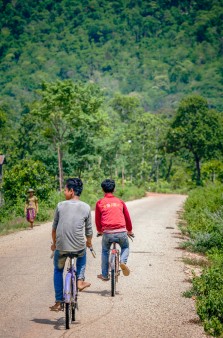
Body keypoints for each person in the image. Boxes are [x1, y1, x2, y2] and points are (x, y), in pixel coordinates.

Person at [50, 178, 93, 312]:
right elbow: (89, 231)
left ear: (71, 191)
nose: (64, 191)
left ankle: (58, 301)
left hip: (61, 247)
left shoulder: (60, 205)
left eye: (65, 189)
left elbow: (54, 229)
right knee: (82, 255)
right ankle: (80, 280)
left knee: (58, 270)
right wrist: (89, 243)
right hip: (78, 247)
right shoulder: (86, 207)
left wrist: (54, 244)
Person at [95, 179, 133, 281]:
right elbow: (127, 218)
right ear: (114, 189)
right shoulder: (120, 202)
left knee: (105, 251)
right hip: (121, 232)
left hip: (107, 233)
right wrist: (129, 230)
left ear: (103, 190)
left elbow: (97, 220)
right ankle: (123, 262)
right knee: (125, 247)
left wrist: (99, 231)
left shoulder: (100, 203)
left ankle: (104, 275)